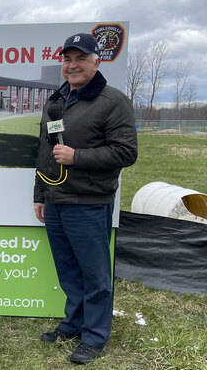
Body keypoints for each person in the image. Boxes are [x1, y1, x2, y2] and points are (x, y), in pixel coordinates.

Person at [33, 33, 137, 365]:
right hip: (56, 200)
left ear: (97, 62)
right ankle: (73, 325)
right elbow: (46, 153)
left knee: (94, 274)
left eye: (81, 58)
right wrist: (40, 194)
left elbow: (126, 152)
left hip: (89, 203)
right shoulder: (57, 101)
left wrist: (77, 156)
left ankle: (94, 336)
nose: (72, 65)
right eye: (67, 59)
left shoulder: (113, 101)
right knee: (68, 271)